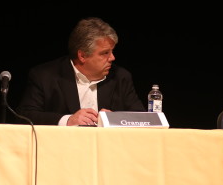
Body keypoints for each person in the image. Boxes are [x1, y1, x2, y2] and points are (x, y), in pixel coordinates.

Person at [16, 17, 144, 125]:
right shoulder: (45, 76)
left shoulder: (121, 77)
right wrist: (68, 120)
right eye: (105, 53)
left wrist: (115, 119)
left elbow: (143, 118)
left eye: (111, 52)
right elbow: (24, 116)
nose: (112, 58)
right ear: (82, 56)